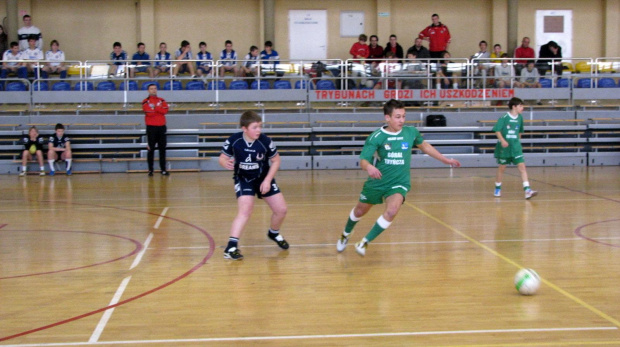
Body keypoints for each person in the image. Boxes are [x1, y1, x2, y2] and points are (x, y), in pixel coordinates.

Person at [336, 99, 461, 256]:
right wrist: (369, 167)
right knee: (360, 211)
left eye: (403, 116)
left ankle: (365, 242)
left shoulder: (410, 132)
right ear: (387, 118)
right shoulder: (377, 137)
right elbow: (363, 160)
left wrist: (445, 159)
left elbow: (425, 146)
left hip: (399, 182)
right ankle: (346, 234)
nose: (402, 120)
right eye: (397, 117)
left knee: (392, 210)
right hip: (378, 181)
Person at [219, 111, 289, 260]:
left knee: (281, 210)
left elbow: (276, 161)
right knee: (245, 210)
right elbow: (222, 158)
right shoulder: (234, 140)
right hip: (243, 179)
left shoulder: (265, 141)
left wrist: (267, 180)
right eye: (255, 127)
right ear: (244, 128)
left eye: (260, 127)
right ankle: (231, 247)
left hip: (263, 178)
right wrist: (225, 162)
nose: (259, 130)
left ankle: (274, 233)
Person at [492, 97, 538, 199]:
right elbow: (497, 130)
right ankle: (497, 188)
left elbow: (520, 131)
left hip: (516, 147)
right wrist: (503, 140)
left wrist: (517, 142)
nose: (522, 108)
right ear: (514, 106)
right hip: (505, 148)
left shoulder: (520, 118)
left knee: (522, 167)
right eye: (520, 106)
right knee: (502, 168)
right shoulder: (504, 117)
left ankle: (527, 190)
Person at [142, 84, 169, 176]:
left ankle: (163, 169)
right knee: (151, 149)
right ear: (148, 90)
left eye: (155, 88)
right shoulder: (145, 101)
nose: (153, 90)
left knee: (162, 149)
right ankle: (150, 170)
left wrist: (155, 107)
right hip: (151, 128)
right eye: (151, 89)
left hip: (161, 127)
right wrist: (158, 109)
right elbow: (149, 113)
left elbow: (165, 111)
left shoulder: (162, 100)